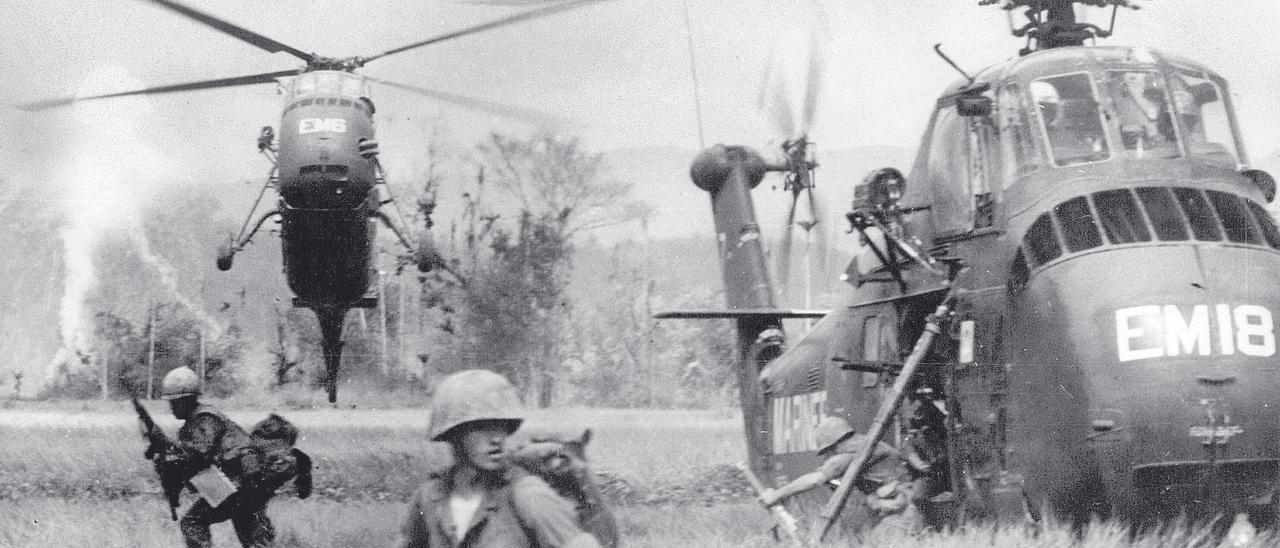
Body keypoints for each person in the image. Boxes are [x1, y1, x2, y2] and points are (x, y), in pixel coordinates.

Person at [397, 369, 602, 548]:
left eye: (501, 425)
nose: (496, 438)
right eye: (481, 426)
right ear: (453, 434)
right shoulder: (430, 497)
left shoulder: (529, 496)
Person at [153, 367, 275, 548]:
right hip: (242, 484)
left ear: (187, 399)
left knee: (193, 523)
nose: (171, 407)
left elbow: (196, 455)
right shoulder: (195, 423)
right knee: (254, 539)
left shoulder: (205, 418)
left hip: (240, 483)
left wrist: (167, 451)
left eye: (174, 402)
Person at [758, 416, 922, 537]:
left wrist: (777, 494)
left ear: (833, 444)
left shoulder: (848, 454)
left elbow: (815, 479)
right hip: (907, 507)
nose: (827, 456)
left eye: (827, 451)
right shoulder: (870, 444)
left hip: (901, 513)